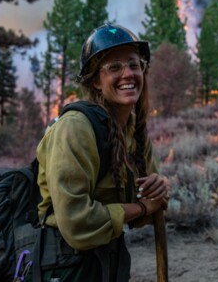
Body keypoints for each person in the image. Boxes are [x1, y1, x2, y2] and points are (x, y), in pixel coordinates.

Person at [35, 23, 170, 281]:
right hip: (63, 267)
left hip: (109, 262)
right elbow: (77, 222)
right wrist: (142, 207)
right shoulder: (75, 128)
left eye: (134, 64)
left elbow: (151, 206)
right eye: (114, 67)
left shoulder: (134, 131)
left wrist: (159, 188)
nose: (128, 74)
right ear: (96, 81)